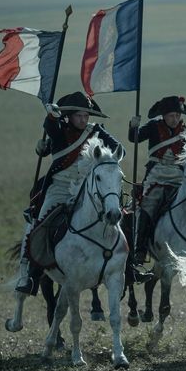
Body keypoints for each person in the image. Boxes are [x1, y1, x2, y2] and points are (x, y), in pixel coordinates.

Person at [16, 92, 124, 295]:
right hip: (60, 189)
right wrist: (51, 116)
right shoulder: (59, 131)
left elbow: (120, 150)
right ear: (70, 116)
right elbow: (50, 127)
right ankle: (31, 274)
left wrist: (116, 152)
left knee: (118, 215)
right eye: (79, 116)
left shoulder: (96, 131)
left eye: (86, 116)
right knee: (41, 224)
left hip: (87, 189)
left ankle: (127, 264)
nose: (83, 120)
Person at [128, 95, 186, 277]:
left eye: (177, 115)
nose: (175, 119)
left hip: (179, 179)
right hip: (157, 178)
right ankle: (140, 249)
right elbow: (134, 139)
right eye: (171, 115)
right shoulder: (153, 127)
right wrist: (133, 127)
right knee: (147, 207)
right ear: (163, 115)